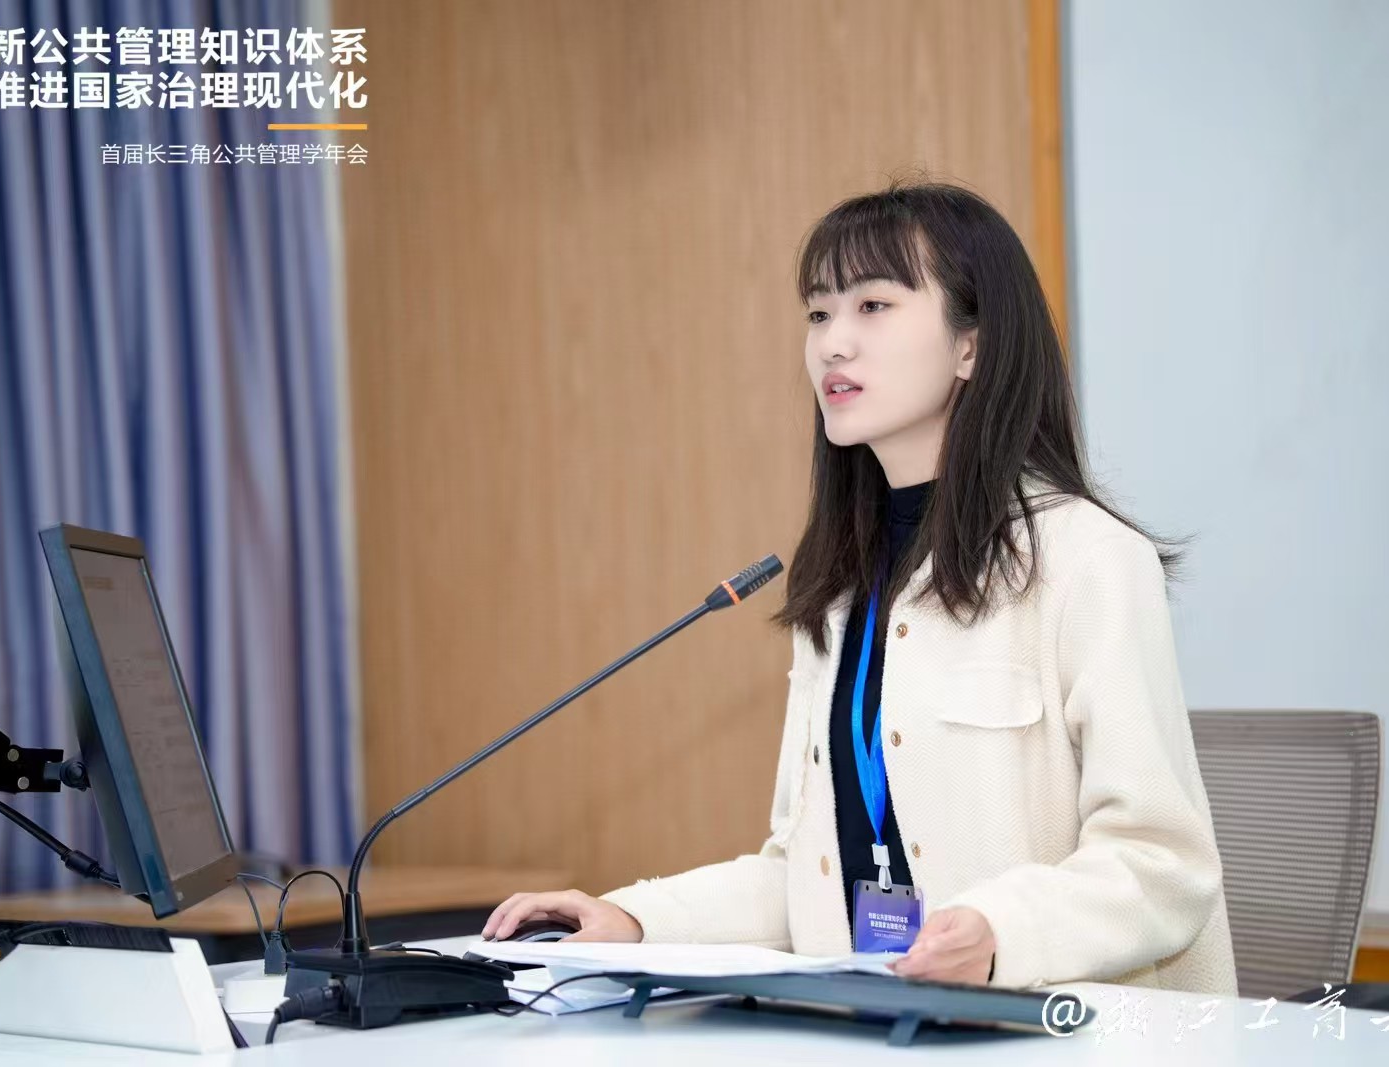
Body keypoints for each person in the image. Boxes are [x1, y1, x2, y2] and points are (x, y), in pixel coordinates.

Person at [482, 178, 1238, 995]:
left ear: (971, 346)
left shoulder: (1088, 559)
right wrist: (630, 918)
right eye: (818, 313)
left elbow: (1162, 863)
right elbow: (801, 878)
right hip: (890, 1023)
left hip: (1060, 1030)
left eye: (873, 306)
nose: (832, 344)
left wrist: (999, 934)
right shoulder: (840, 587)